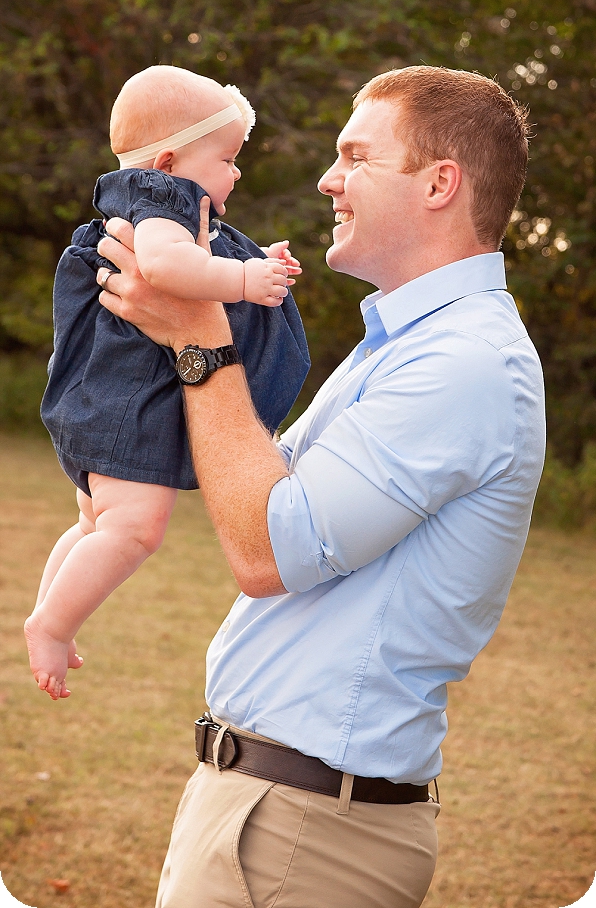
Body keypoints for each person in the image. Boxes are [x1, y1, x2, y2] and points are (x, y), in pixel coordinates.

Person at [95, 65, 546, 908]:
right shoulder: (406, 344)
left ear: (441, 183)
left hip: (306, 833)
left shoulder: (464, 362)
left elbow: (267, 550)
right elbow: (251, 490)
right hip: (276, 811)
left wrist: (201, 336)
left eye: (355, 156)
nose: (326, 180)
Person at [24, 66, 309, 701]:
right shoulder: (161, 198)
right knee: (135, 530)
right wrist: (242, 283)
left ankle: (52, 617)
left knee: (98, 523)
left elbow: (192, 259)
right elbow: (164, 266)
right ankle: (50, 622)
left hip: (102, 399)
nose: (236, 173)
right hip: (127, 405)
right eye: (228, 158)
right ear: (172, 158)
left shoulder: (152, 203)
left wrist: (256, 263)